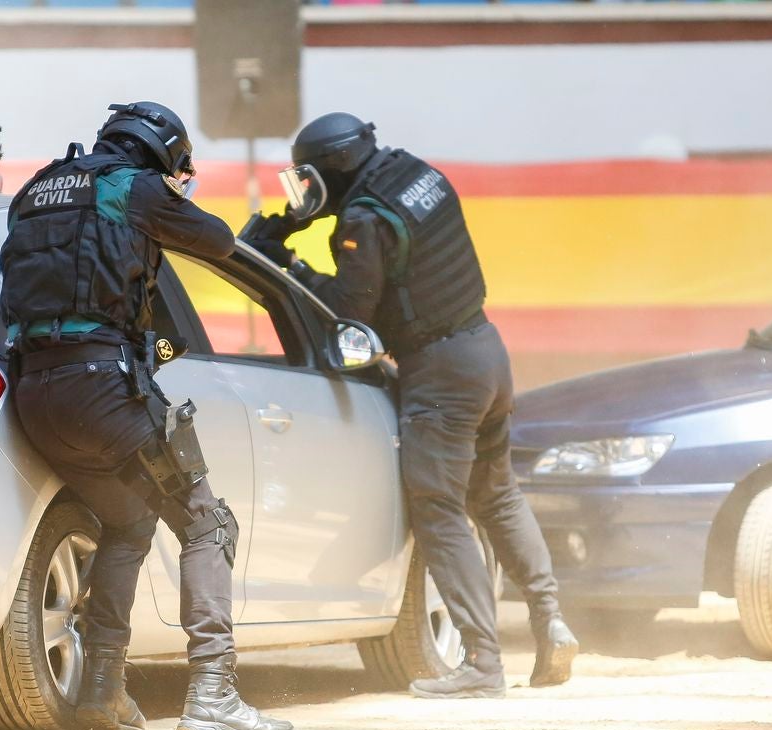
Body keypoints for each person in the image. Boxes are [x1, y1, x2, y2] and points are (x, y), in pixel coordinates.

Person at [243, 112, 578, 698]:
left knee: (439, 510)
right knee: (496, 495)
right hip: (486, 351)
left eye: (309, 175)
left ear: (336, 166)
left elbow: (349, 314)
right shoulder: (416, 175)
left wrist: (289, 265)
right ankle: (550, 622)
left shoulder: (364, 218)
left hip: (439, 373)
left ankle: (482, 663)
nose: (303, 189)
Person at [0, 101, 294, 730]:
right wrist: (171, 199)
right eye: (179, 167)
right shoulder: (134, 188)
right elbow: (217, 242)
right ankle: (213, 693)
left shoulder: (35, 190)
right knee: (205, 522)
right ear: (160, 154)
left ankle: (101, 692)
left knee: (128, 522)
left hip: (34, 394)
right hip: (103, 390)